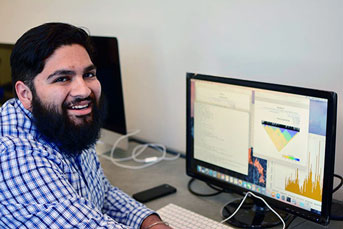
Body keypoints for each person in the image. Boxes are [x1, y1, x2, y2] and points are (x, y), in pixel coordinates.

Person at [0, 22, 171, 229]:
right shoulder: (16, 156)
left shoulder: (65, 123)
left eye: (89, 75)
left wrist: (150, 222)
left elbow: (100, 193)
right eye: (62, 78)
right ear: (25, 94)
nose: (83, 91)